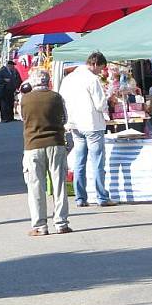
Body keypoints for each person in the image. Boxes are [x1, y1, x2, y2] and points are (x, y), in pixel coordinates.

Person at [59, 51, 114, 208]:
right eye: (101, 68)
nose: (101, 71)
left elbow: (62, 100)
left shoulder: (68, 79)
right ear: (95, 64)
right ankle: (102, 197)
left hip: (74, 123)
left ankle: (80, 197)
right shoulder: (92, 79)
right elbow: (99, 104)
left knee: (79, 161)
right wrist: (107, 101)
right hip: (92, 124)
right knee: (97, 161)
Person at [20, 69, 71, 236]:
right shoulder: (56, 97)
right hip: (56, 143)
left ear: (32, 82)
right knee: (59, 184)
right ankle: (61, 222)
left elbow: (22, 118)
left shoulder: (24, 99)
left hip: (33, 145)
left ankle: (40, 225)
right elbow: (65, 118)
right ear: (48, 81)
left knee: (35, 186)